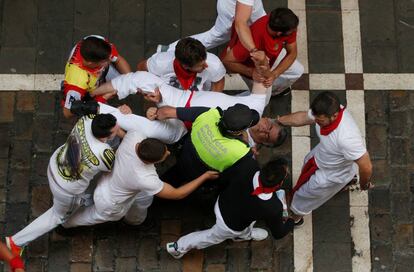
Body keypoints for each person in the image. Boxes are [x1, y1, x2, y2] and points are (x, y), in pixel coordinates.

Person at [6, 114, 122, 255]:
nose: (119, 129)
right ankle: (16, 242)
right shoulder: (104, 153)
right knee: (57, 216)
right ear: (106, 136)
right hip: (67, 190)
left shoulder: (86, 119)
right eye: (116, 130)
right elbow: (110, 170)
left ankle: (84, 199)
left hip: (55, 165)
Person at [93, 71, 288, 149]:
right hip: (182, 98)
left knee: (145, 128)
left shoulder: (243, 147)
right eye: (269, 126)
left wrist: (161, 114)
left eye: (266, 136)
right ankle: (92, 94)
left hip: (182, 129)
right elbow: (262, 78)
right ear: (269, 118)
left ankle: (93, 108)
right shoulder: (257, 107)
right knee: (143, 79)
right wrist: (262, 64)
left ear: (265, 145)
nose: (264, 130)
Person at [62, 135, 219, 228]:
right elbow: (177, 194)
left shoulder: (133, 137)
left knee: (142, 200)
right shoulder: (146, 178)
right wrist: (204, 177)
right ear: (150, 162)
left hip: (108, 181)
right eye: (165, 154)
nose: (169, 152)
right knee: (92, 216)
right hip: (111, 202)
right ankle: (65, 224)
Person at [166, 157, 294, 259]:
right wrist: (291, 221)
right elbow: (278, 233)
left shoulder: (248, 164)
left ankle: (243, 235)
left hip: (222, 202)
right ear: (279, 183)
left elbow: (224, 179)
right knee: (209, 237)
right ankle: (178, 247)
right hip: (230, 225)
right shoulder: (273, 207)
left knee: (245, 227)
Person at [277, 91, 373, 223]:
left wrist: (364, 184)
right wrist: (278, 121)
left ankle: (295, 216)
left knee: (307, 193)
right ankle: (350, 178)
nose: (316, 122)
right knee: (306, 165)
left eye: (320, 121)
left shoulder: (347, 138)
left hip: (332, 174)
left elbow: (366, 166)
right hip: (323, 156)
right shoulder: (324, 111)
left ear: (334, 116)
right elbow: (304, 117)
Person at [149, 103, 259, 182]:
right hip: (199, 176)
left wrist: (153, 113)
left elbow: (166, 112)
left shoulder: (208, 114)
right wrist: (245, 141)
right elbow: (233, 175)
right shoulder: (242, 152)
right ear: (240, 131)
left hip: (183, 156)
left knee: (169, 178)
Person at [221, 8, 304, 95]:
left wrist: (274, 74)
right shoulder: (253, 39)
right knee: (261, 102)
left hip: (271, 59)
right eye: (293, 31)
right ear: (279, 33)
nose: (295, 31)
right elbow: (227, 61)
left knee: (297, 71)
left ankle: (274, 92)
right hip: (254, 69)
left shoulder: (286, 25)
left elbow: (292, 53)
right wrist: (251, 72)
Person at [62, 35, 131, 118]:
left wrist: (132, 79)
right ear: (90, 63)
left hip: (99, 76)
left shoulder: (99, 44)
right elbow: (67, 113)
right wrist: (104, 97)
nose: (109, 61)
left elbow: (118, 60)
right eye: (105, 61)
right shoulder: (76, 82)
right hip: (88, 92)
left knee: (124, 83)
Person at [159, 0, 266, 51]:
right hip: (235, 14)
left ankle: (170, 49)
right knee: (216, 36)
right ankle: (172, 50)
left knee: (215, 36)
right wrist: (254, 50)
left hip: (231, 8)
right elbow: (240, 23)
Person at [137, 37, 226, 92]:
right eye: (201, 65)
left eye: (205, 60)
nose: (206, 65)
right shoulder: (160, 63)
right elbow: (141, 68)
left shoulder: (214, 64)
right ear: (185, 66)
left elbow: (218, 81)